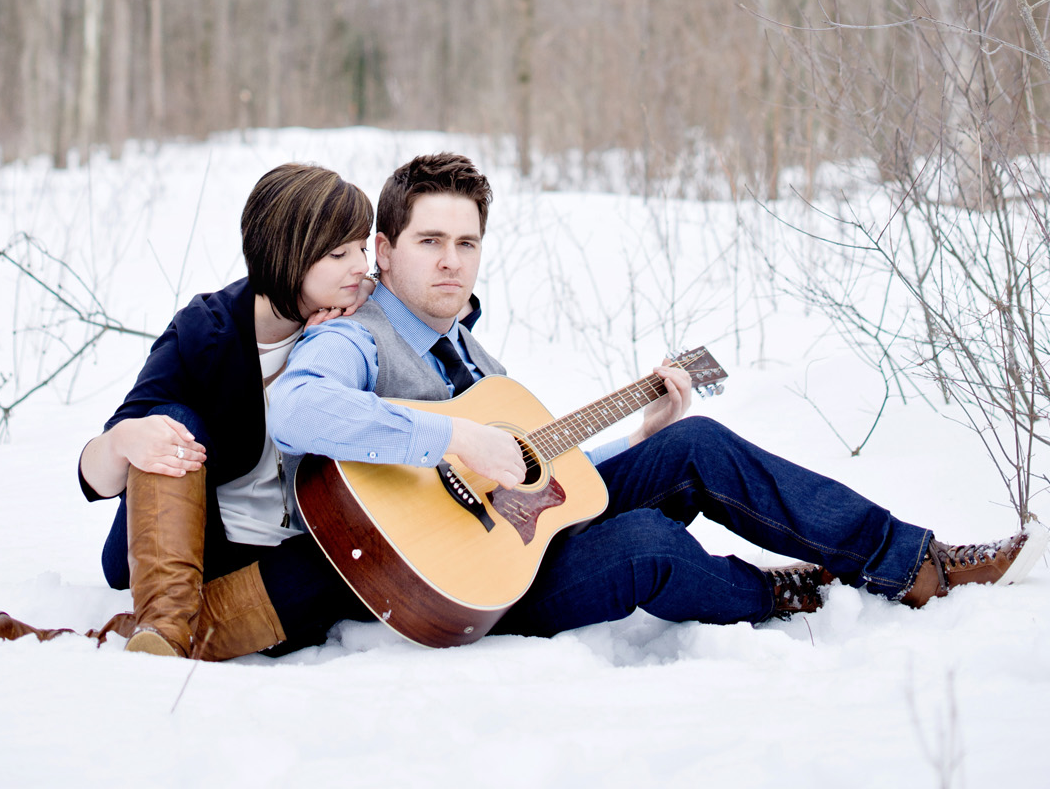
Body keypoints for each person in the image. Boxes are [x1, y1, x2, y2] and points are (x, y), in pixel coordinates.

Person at [264, 151, 1046, 642]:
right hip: (462, 586)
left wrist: (641, 440)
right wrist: (453, 442)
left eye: (466, 243)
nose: (450, 263)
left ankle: (912, 561)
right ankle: (775, 594)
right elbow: (296, 408)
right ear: (386, 250)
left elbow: (540, 475)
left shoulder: (474, 356)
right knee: (649, 547)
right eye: (429, 242)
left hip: (520, 542)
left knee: (694, 443)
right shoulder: (356, 335)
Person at [0, 162, 384, 658]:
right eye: (339, 253)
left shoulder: (354, 328)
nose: (360, 265)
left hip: (280, 560)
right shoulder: (205, 329)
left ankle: (155, 637)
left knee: (343, 564)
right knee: (170, 422)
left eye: (362, 247)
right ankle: (164, 624)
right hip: (185, 545)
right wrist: (126, 439)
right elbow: (96, 477)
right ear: (285, 255)